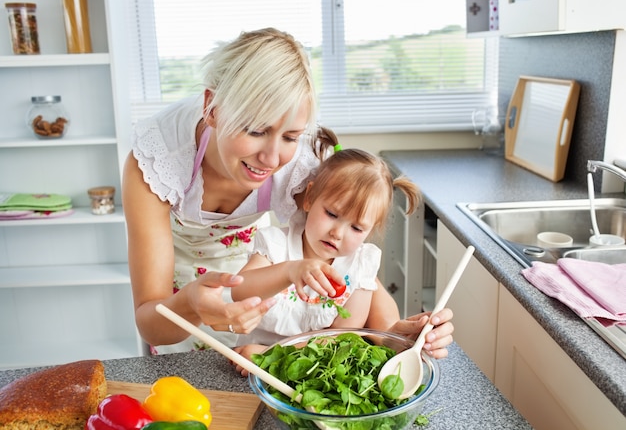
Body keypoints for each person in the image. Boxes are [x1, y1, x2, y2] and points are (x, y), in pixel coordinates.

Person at [122, 27, 454, 356]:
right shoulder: (158, 159)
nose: (271, 158)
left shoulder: (301, 166)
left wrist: (391, 334)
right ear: (213, 108)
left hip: (256, 282)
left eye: (290, 136)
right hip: (178, 297)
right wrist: (192, 303)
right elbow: (151, 322)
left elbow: (350, 266)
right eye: (255, 130)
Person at [231, 138, 420, 362]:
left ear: (368, 232)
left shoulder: (359, 267)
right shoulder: (276, 245)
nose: (337, 233)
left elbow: (342, 337)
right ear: (310, 198)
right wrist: (290, 271)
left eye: (356, 228)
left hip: (309, 369)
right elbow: (239, 292)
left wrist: (273, 357)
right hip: (246, 363)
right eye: (331, 214)